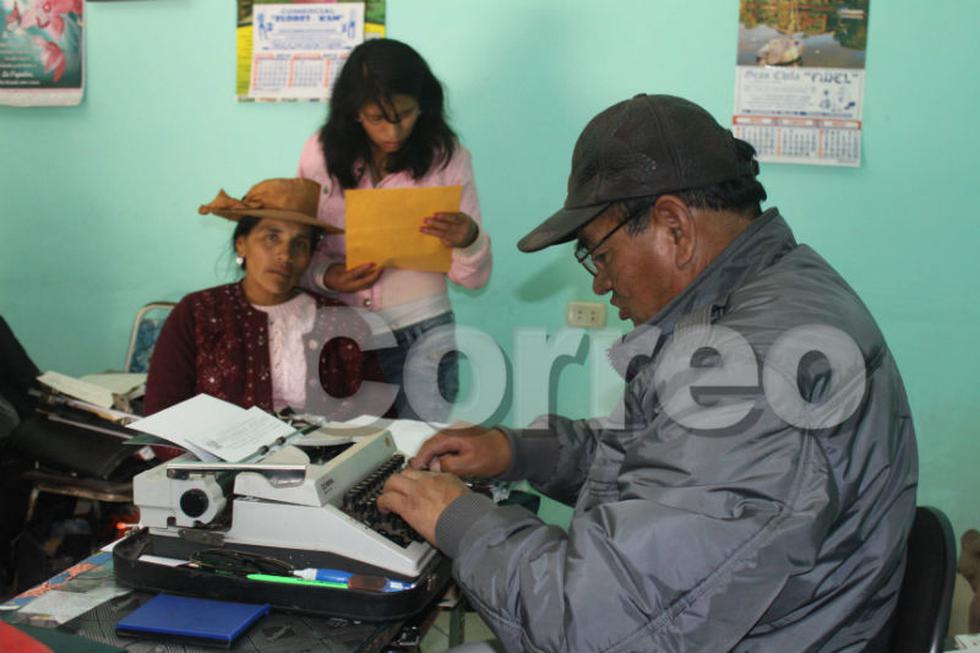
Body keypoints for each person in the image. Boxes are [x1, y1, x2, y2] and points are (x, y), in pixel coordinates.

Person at [377, 95, 918, 652]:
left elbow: (590, 624)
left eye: (598, 255)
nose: (599, 284)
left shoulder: (752, 366)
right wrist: (521, 450)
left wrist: (461, 519)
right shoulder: (771, 294)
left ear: (673, 227)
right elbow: (666, 463)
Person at [297, 38, 492, 423]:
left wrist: (468, 240)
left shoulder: (447, 157)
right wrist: (328, 275)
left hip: (423, 333)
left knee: (416, 459)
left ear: (424, 104)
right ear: (353, 112)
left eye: (405, 114)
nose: (394, 130)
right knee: (343, 459)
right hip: (341, 331)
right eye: (376, 118)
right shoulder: (319, 154)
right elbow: (300, 249)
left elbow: (473, 278)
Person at [144, 178, 389, 421]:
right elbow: (162, 415)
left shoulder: (342, 321)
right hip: (217, 459)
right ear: (241, 245)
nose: (285, 255)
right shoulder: (197, 313)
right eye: (272, 237)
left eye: (300, 244)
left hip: (323, 458)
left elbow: (377, 415)